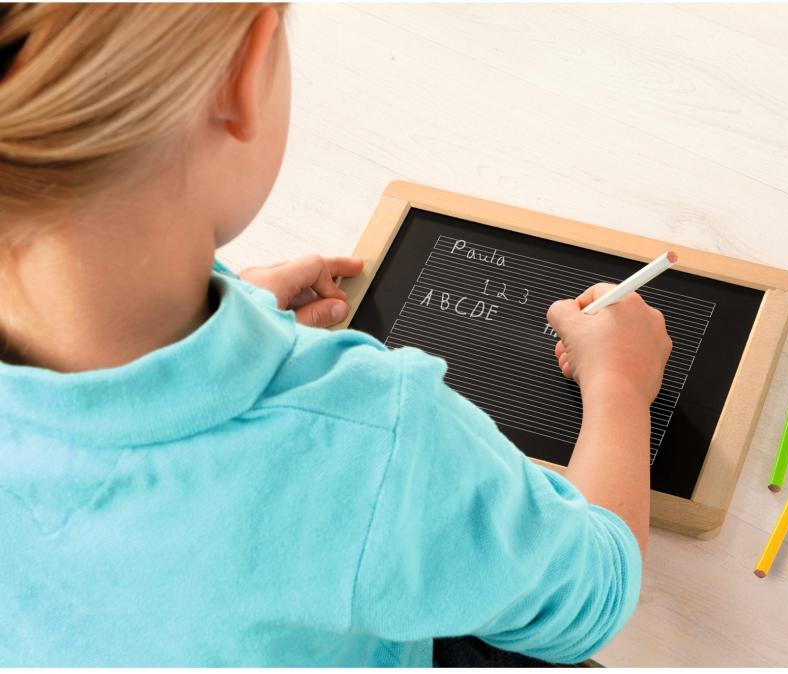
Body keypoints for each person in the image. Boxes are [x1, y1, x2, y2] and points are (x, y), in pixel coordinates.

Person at [0, 3, 671, 666]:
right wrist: (620, 385)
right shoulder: (372, 438)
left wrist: (223, 317)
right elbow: (596, 595)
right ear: (245, 68)